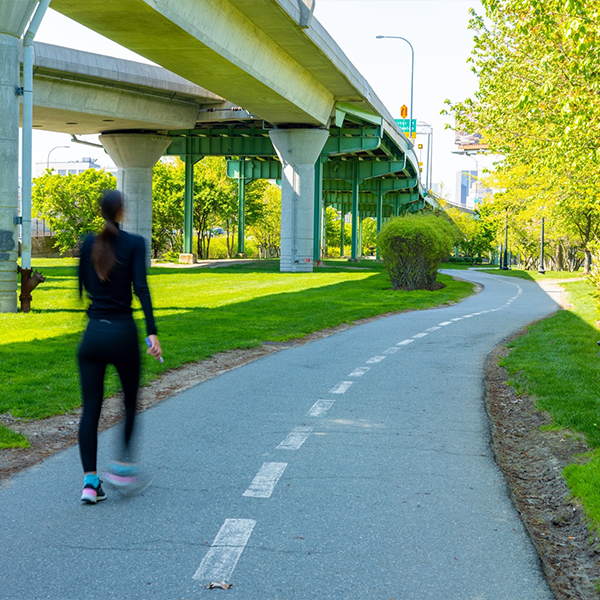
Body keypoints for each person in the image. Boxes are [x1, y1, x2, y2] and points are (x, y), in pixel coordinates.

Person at [77, 190, 162, 504]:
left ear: (101, 212)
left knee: (91, 410)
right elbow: (140, 286)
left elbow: (85, 283)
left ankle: (90, 483)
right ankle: (122, 469)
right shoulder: (135, 243)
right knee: (128, 403)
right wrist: (152, 331)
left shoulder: (89, 244)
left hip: (93, 336)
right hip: (123, 334)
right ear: (122, 212)